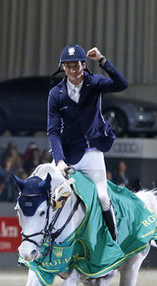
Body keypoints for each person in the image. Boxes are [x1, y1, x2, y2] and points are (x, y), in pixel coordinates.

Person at [47, 44, 128, 240]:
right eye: (68, 67)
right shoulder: (56, 94)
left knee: (102, 197)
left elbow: (121, 84)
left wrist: (102, 60)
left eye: (76, 66)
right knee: (47, 192)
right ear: (63, 67)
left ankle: (113, 243)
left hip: (92, 150)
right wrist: (59, 161)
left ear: (84, 64)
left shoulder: (96, 83)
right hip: (67, 153)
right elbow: (53, 131)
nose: (73, 71)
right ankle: (38, 245)